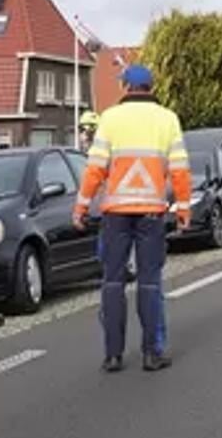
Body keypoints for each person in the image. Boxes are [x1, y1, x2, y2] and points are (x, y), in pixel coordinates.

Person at [73, 64, 190, 372]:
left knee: (112, 283)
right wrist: (184, 211)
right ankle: (152, 353)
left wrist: (81, 208)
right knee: (150, 284)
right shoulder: (168, 120)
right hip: (152, 213)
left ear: (125, 87)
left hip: (116, 215)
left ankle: (113, 355)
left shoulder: (110, 119)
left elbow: (95, 169)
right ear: (152, 87)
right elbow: (179, 170)